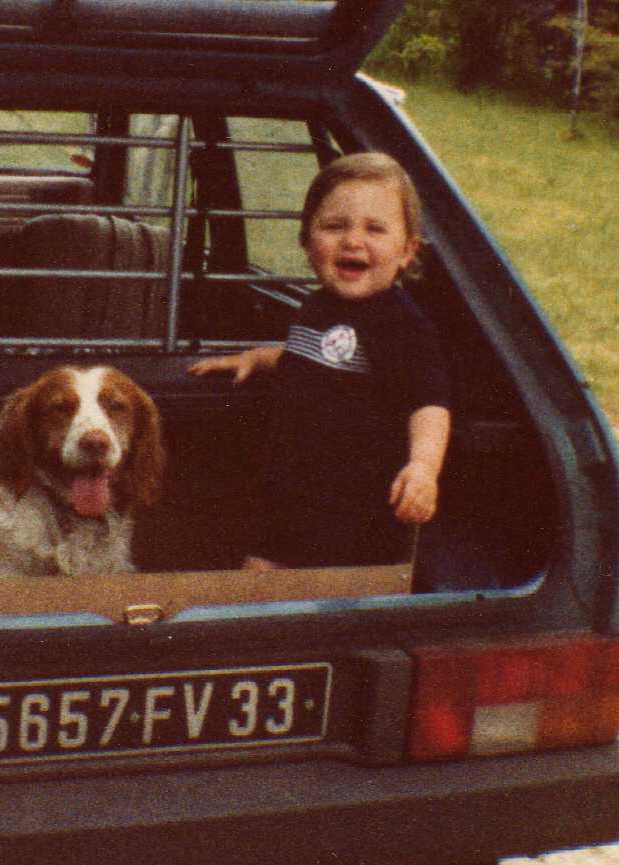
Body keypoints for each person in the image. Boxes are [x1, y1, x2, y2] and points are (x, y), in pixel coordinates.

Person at [189, 152, 451, 570]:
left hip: (353, 514)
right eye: (334, 226)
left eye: (375, 229)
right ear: (307, 241)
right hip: (289, 498)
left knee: (319, 596)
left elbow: (429, 403)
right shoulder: (318, 306)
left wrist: (423, 467)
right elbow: (311, 357)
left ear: (407, 251)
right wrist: (258, 358)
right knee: (258, 581)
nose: (353, 241)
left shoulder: (399, 324)